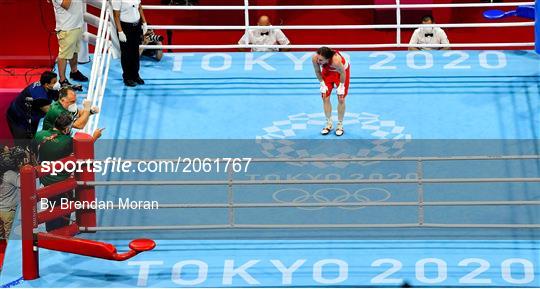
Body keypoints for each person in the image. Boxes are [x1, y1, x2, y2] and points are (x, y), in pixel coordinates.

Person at [34, 114, 104, 231]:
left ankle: (51, 229)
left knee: (51, 205)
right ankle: (59, 232)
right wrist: (95, 137)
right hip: (61, 182)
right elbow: (84, 148)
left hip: (45, 180)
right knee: (62, 209)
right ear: (67, 129)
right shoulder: (67, 141)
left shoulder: (39, 135)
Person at [6, 71, 60, 147]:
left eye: (56, 81)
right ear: (47, 85)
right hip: (18, 118)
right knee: (23, 144)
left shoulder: (49, 86)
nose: (57, 84)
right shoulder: (39, 96)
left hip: (32, 116)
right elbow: (50, 112)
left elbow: (59, 99)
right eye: (54, 82)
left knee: (32, 139)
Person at [312, 46, 350, 136]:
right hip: (327, 72)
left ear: (328, 59)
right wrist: (322, 83)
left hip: (341, 74)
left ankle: (340, 125)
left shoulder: (336, 61)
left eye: (321, 60)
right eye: (318, 58)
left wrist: (341, 86)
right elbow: (317, 71)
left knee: (341, 99)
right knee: (325, 97)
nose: (318, 61)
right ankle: (329, 124)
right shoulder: (315, 58)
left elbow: (343, 73)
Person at [52, 0, 89, 88]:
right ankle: (62, 80)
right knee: (64, 55)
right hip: (66, 28)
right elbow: (66, 5)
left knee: (74, 51)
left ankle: (74, 72)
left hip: (77, 25)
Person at [112, 0, 148, 87]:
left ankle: (135, 75)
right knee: (126, 53)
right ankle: (127, 77)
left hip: (136, 26)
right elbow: (116, 15)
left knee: (135, 52)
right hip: (125, 27)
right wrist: (120, 31)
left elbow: (139, 7)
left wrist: (144, 22)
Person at [0, 146, 29, 241]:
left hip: (2, 208)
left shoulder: (3, 174)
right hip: (8, 210)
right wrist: (24, 168)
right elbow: (24, 183)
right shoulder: (10, 174)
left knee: (2, 235)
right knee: (10, 236)